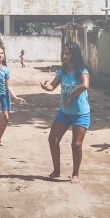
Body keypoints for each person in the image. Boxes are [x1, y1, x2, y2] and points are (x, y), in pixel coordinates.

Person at [40, 42, 89, 183]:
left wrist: (69, 96)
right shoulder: (61, 72)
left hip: (81, 113)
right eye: (63, 53)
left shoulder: (82, 71)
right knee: (53, 140)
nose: (65, 56)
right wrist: (45, 87)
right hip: (64, 112)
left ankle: (75, 174)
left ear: (74, 54)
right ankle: (56, 170)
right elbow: (52, 86)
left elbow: (85, 85)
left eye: (68, 53)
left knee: (76, 145)